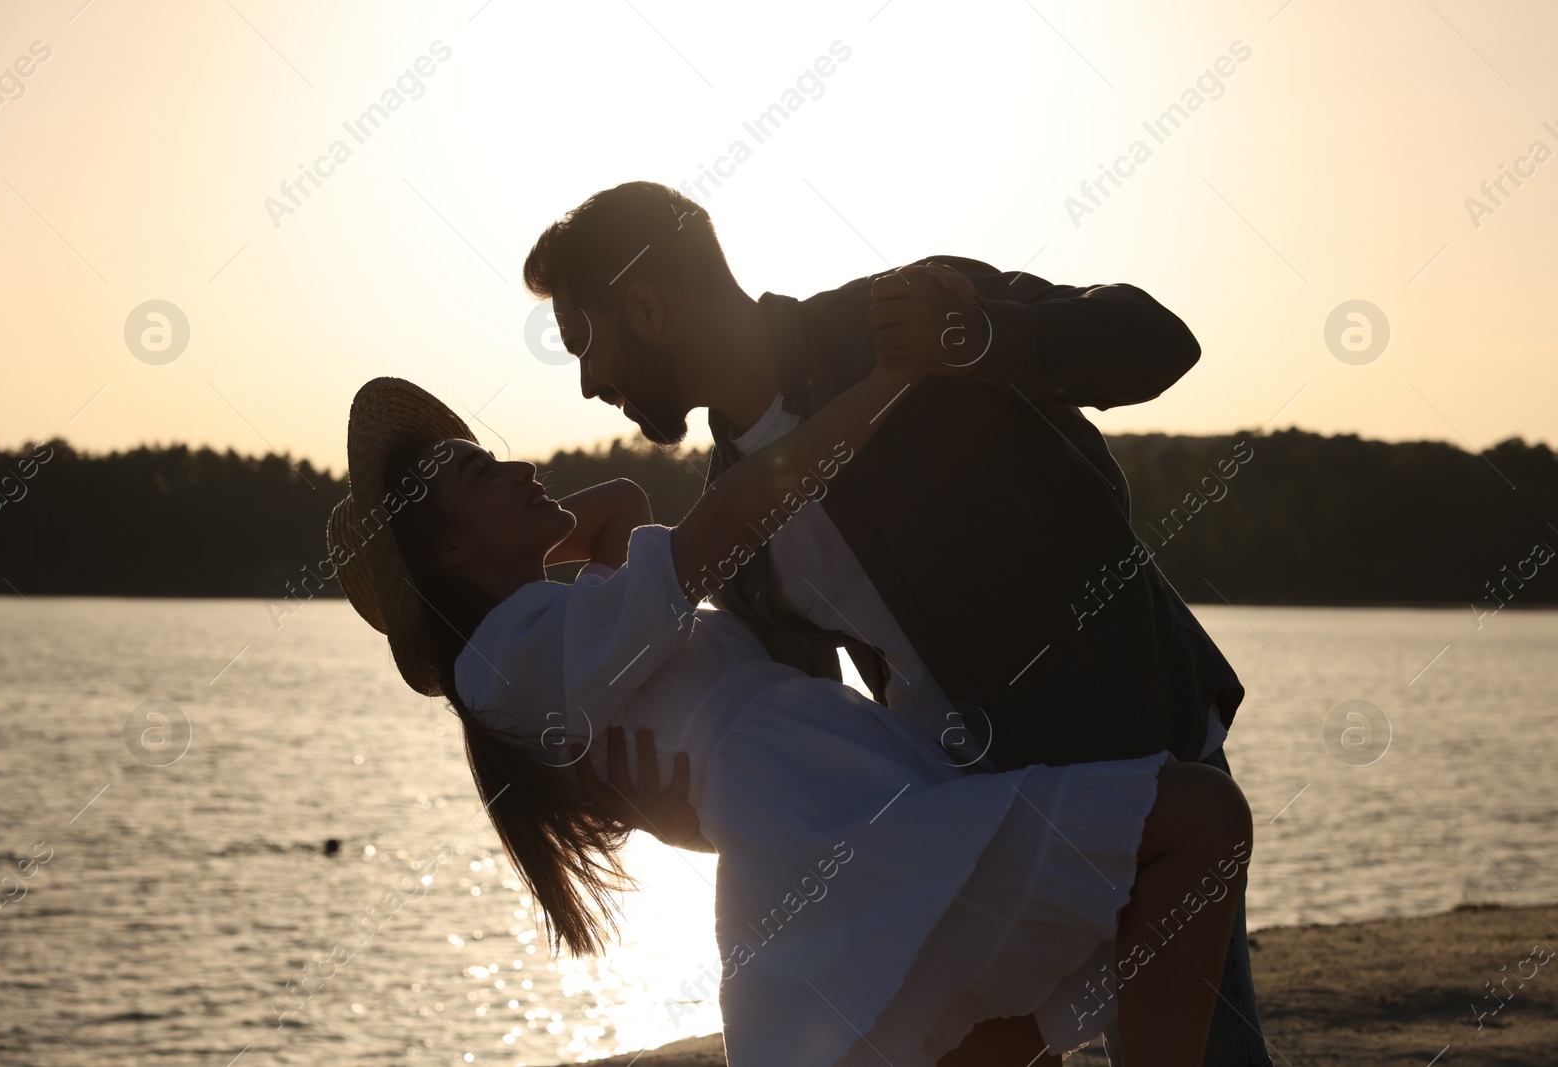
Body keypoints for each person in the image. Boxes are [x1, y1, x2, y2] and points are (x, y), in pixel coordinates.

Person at [522, 182, 1265, 1065]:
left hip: (1141, 750)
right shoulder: (736, 519)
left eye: (584, 342)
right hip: (976, 811)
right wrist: (670, 806)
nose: (587, 381)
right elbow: (807, 732)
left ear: (646, 306)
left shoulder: (898, 318)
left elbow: (1155, 340)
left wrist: (985, 337)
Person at [325, 370, 1253, 1066]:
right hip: (821, 816)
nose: (521, 466)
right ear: (448, 545)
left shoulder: (568, 634)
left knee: (995, 1028)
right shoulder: (509, 657)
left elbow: (620, 510)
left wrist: (506, 537)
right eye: (484, 474)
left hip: (838, 794)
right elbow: (721, 519)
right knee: (1193, 829)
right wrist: (886, 384)